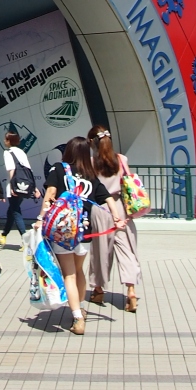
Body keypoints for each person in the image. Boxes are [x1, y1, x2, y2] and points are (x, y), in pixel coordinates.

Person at [35, 136, 127, 335]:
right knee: (78, 271)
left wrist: (41, 218)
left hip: (64, 231)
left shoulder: (59, 169)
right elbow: (107, 198)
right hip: (84, 230)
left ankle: (77, 317)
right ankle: (81, 307)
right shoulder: (90, 175)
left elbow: (50, 194)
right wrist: (117, 218)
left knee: (68, 274)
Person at [86, 125, 142, 312]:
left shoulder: (91, 163)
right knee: (126, 248)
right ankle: (131, 290)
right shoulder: (121, 159)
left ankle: (98, 289)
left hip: (100, 208)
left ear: (92, 142)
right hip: (121, 206)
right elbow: (128, 182)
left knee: (101, 250)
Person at [0, 130, 38, 246]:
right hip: (24, 185)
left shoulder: (8, 153)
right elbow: (29, 170)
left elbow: (11, 169)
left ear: (9, 141)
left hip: (15, 185)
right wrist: (34, 187)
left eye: (6, 139)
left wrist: (12, 186)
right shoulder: (21, 152)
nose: (4, 141)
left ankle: (25, 240)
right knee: (12, 211)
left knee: (16, 212)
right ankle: (4, 234)